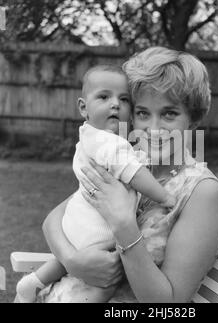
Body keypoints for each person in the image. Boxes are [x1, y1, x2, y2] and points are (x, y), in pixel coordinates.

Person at [37, 47, 218, 303]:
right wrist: (72, 261)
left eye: (169, 114)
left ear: (192, 120)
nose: (153, 128)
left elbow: (167, 303)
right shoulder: (129, 163)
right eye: (142, 113)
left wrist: (124, 225)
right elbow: (55, 218)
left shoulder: (203, 192)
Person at [16, 64, 176, 303]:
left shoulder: (90, 136)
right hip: (96, 231)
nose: (115, 104)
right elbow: (134, 173)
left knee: (66, 260)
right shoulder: (110, 143)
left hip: (77, 223)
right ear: (83, 107)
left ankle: (33, 282)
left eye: (124, 100)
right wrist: (164, 197)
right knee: (107, 281)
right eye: (104, 97)